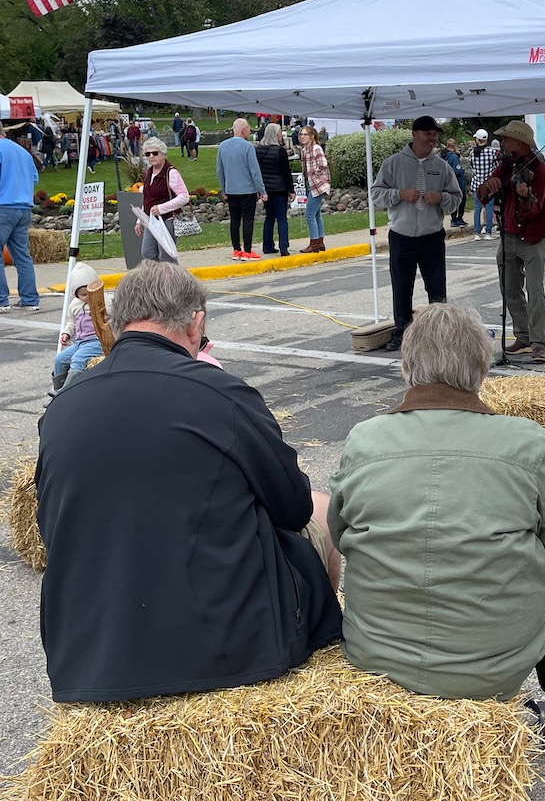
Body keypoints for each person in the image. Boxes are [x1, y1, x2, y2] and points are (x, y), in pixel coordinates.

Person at [37, 261, 343, 702]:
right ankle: (316, 656)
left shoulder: (62, 406)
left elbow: (53, 529)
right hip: (227, 649)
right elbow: (292, 508)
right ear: (196, 322)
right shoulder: (220, 392)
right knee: (320, 506)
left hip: (91, 658)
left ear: (120, 321)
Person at [328, 302, 545, 753]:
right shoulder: (527, 441)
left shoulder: (364, 437)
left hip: (376, 655)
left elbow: (340, 533)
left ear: (406, 369)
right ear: (483, 372)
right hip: (491, 664)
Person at [369, 115, 463, 352]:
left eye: (435, 134)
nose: (432, 139)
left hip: (431, 236)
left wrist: (440, 198)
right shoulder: (393, 163)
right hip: (401, 235)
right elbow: (376, 193)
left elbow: (457, 198)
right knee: (401, 287)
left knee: (437, 289)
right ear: (414, 135)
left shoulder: (442, 166)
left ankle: (439, 334)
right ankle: (402, 333)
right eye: (427, 134)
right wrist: (399, 194)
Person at [477, 120, 545, 364]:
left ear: (519, 143)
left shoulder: (541, 171)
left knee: (534, 290)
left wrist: (524, 198)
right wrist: (487, 186)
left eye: (506, 140)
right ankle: (523, 335)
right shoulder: (507, 164)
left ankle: (539, 342)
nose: (502, 143)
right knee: (509, 289)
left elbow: (535, 208)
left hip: (532, 238)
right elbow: (483, 195)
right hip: (509, 235)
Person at [0, 116, 41, 315]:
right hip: (23, 207)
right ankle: (30, 298)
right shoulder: (21, 151)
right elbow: (34, 177)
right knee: (22, 255)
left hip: (1, 207)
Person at [51, 262, 106, 396]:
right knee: (60, 359)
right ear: (76, 294)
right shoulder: (75, 305)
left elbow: (115, 318)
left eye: (89, 293)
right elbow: (72, 322)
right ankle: (57, 389)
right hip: (80, 342)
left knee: (78, 359)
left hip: (97, 341)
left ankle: (66, 393)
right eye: (83, 295)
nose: (87, 297)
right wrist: (67, 333)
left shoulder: (105, 301)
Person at [135, 137, 190, 265]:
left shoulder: (171, 172)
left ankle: (175, 281)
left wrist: (161, 208)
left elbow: (184, 196)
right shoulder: (149, 172)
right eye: (147, 154)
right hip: (151, 220)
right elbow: (148, 198)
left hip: (168, 219)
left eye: (155, 153)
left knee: (167, 256)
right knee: (147, 253)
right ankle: (157, 280)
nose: (151, 157)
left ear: (163, 153)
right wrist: (140, 221)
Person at [217, 118, 266, 261]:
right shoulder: (248, 147)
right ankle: (248, 250)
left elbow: (220, 171)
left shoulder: (223, 146)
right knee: (248, 220)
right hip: (247, 190)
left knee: (235, 220)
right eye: (248, 129)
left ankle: (236, 250)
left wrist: (224, 187)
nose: (250, 132)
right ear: (243, 130)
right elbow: (254, 171)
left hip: (231, 190)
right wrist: (262, 190)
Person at [256, 123, 295, 256]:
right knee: (282, 218)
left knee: (269, 218)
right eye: (279, 133)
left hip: (266, 188)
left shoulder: (258, 150)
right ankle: (284, 246)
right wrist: (291, 190)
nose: (281, 135)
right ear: (274, 134)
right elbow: (286, 172)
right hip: (280, 188)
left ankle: (267, 245)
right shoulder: (280, 151)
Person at [299, 126, 331, 253]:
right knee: (316, 214)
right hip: (310, 184)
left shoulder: (316, 148)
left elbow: (323, 164)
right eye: (301, 134)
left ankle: (314, 243)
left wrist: (315, 174)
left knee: (309, 214)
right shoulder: (304, 150)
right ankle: (320, 242)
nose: (302, 136)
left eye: (306, 134)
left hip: (318, 185)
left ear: (312, 136)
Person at [468, 129, 501, 239]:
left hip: (476, 184)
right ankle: (488, 232)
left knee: (477, 208)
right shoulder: (491, 152)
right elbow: (496, 166)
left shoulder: (473, 153)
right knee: (489, 207)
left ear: (478, 139)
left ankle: (476, 232)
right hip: (488, 185)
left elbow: (472, 166)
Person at [441, 137, 468, 229]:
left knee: (453, 201)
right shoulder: (453, 157)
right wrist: (462, 171)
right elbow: (458, 170)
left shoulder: (444, 156)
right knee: (461, 200)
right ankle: (458, 219)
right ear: (454, 146)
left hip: (448, 183)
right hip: (458, 182)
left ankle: (454, 218)